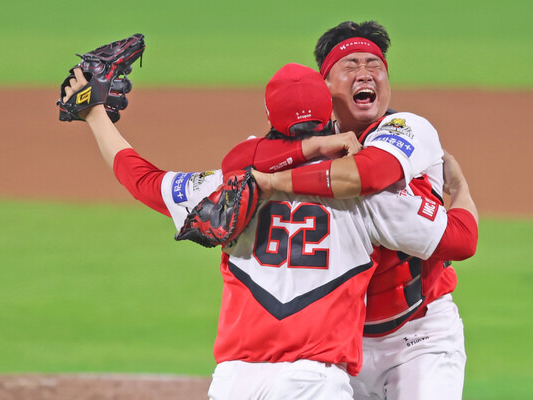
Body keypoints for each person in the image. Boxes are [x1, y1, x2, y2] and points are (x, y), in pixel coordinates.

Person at [61, 59, 476, 399]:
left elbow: (145, 180)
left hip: (235, 383)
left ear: (267, 117)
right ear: (329, 114)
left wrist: (95, 114)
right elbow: (458, 239)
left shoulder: (232, 186)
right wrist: (456, 189)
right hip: (314, 383)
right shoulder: (365, 196)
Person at [219, 21, 476, 400]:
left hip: (418, 335)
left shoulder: (408, 128)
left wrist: (461, 190)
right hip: (340, 344)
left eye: (375, 65)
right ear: (324, 86)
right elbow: (239, 161)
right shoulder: (303, 144)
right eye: (351, 65)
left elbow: (367, 174)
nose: (365, 74)